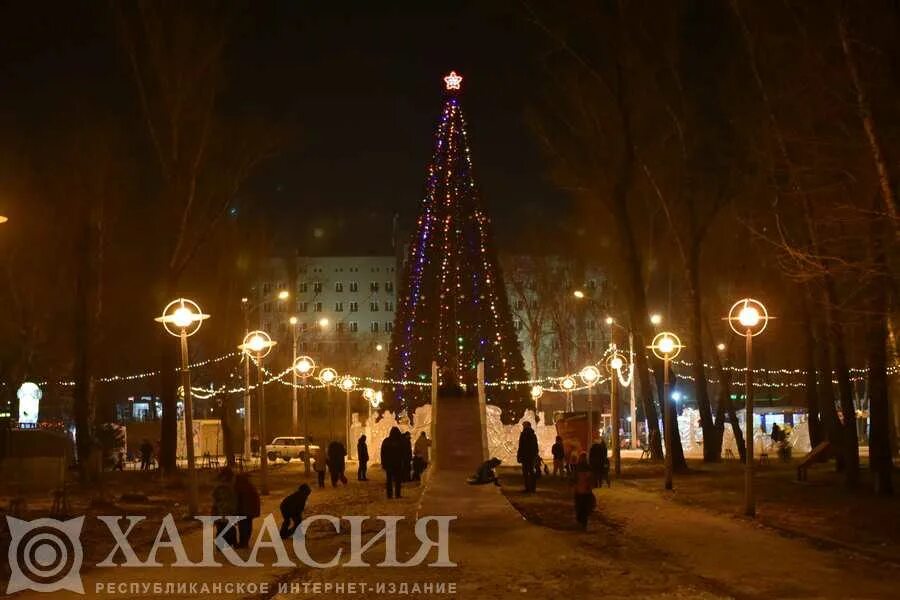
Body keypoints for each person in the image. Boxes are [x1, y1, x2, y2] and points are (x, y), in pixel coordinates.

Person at [211, 468, 238, 547]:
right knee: (228, 528)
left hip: (222, 511)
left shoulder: (220, 486)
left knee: (223, 528)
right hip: (225, 511)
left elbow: (214, 499)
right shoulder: (229, 487)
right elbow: (233, 500)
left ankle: (223, 544)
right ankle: (228, 543)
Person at [234, 473, 260, 548]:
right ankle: (245, 542)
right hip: (251, 510)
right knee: (248, 525)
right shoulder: (250, 486)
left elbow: (237, 501)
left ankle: (243, 543)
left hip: (243, 510)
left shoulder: (239, 487)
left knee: (243, 527)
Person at [572, 453, 595, 530]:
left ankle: (581, 522)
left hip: (580, 491)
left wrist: (575, 486)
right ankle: (583, 523)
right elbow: (591, 479)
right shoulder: (588, 468)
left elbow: (574, 479)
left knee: (580, 508)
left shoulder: (578, 468)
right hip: (586, 491)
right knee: (584, 508)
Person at [380, 427, 404, 499]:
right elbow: (402, 453)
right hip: (397, 464)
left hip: (389, 464)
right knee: (397, 480)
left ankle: (389, 495)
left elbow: (382, 453)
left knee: (389, 480)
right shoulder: (399, 441)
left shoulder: (386, 441)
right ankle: (397, 494)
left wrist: (383, 463)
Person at [517, 421, 539, 493]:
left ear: (527, 425)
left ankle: (528, 488)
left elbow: (521, 446)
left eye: (524, 425)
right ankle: (532, 488)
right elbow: (536, 446)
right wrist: (535, 455)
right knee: (531, 472)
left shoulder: (524, 434)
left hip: (526, 456)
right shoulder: (533, 434)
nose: (523, 426)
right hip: (531, 456)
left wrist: (519, 456)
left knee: (526, 472)